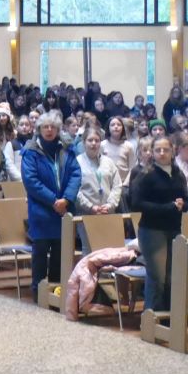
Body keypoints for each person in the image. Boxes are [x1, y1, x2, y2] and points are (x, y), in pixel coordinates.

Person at [21, 111, 81, 292]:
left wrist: (66, 199)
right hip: (41, 211)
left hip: (64, 210)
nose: (49, 130)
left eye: (53, 127)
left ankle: (56, 293)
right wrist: (54, 201)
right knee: (40, 254)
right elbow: (31, 181)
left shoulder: (66, 149)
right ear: (39, 129)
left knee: (59, 254)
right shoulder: (31, 151)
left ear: (58, 129)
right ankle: (38, 292)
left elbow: (76, 174)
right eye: (45, 127)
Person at [129, 136, 188, 314]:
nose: (162, 153)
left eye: (166, 150)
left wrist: (183, 205)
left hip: (174, 229)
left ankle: (169, 318)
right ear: (153, 153)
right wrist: (168, 207)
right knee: (157, 277)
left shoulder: (178, 173)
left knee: (171, 277)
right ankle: (152, 317)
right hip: (152, 230)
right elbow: (136, 204)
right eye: (158, 150)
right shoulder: (146, 174)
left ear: (173, 151)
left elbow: (186, 201)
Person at [75, 127, 122, 253]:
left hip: (108, 212)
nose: (94, 143)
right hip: (86, 213)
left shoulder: (108, 162)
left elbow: (117, 185)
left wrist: (110, 205)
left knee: (109, 250)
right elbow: (74, 190)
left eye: (97, 140)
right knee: (89, 250)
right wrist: (90, 207)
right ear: (83, 142)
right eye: (90, 140)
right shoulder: (76, 162)